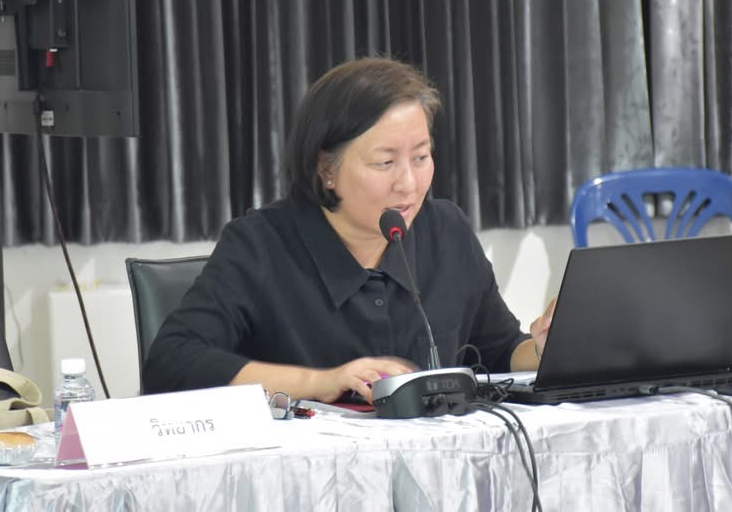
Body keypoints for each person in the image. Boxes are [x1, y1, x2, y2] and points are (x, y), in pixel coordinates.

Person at [142, 57, 555, 403]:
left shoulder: (446, 230)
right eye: (385, 162)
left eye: (421, 157)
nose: (408, 184)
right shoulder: (260, 245)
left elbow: (498, 351)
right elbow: (172, 362)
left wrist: (541, 348)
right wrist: (323, 382)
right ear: (327, 169)